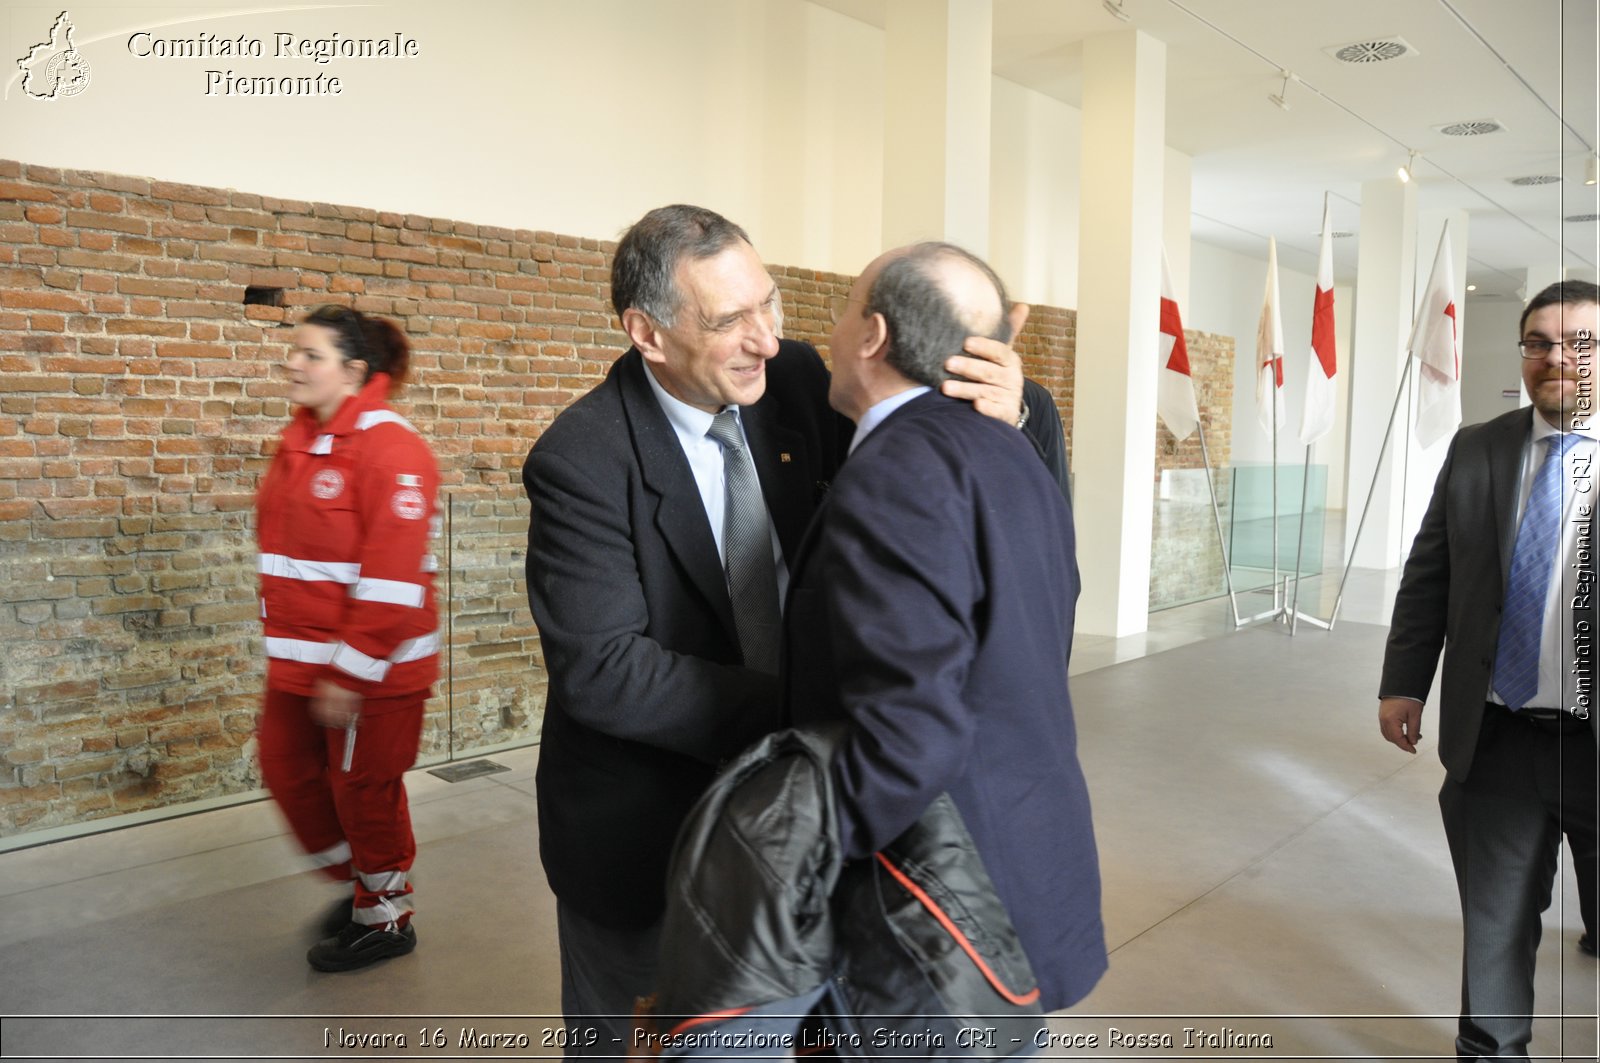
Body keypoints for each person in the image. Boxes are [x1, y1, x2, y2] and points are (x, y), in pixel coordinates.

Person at [521, 205, 1028, 1048]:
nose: (764, 337)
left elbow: (928, 443)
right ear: (647, 332)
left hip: (813, 824)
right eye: (728, 320)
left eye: (771, 303)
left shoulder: (794, 379)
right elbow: (604, 669)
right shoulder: (580, 459)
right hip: (653, 838)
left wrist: (996, 413)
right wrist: (811, 717)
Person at [782, 241, 1106, 1011]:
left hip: (939, 917)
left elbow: (908, 733)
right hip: (1028, 875)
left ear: (872, 336)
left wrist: (796, 861)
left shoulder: (894, 471)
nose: (828, 333)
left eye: (844, 311)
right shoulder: (1013, 449)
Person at [1379, 279, 1600, 1059]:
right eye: (1540, 341)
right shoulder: (1479, 446)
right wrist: (1405, 678)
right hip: (1499, 733)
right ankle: (1491, 1049)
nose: (1558, 357)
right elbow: (1430, 573)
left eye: (1582, 342)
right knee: (1497, 919)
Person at [255, 304, 441, 973]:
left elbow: (391, 583)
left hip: (373, 674)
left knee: (363, 792)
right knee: (287, 771)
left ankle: (387, 916)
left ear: (354, 370)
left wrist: (351, 672)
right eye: (292, 351)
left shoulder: (393, 449)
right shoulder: (299, 439)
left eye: (310, 354)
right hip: (299, 667)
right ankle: (361, 884)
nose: (293, 364)